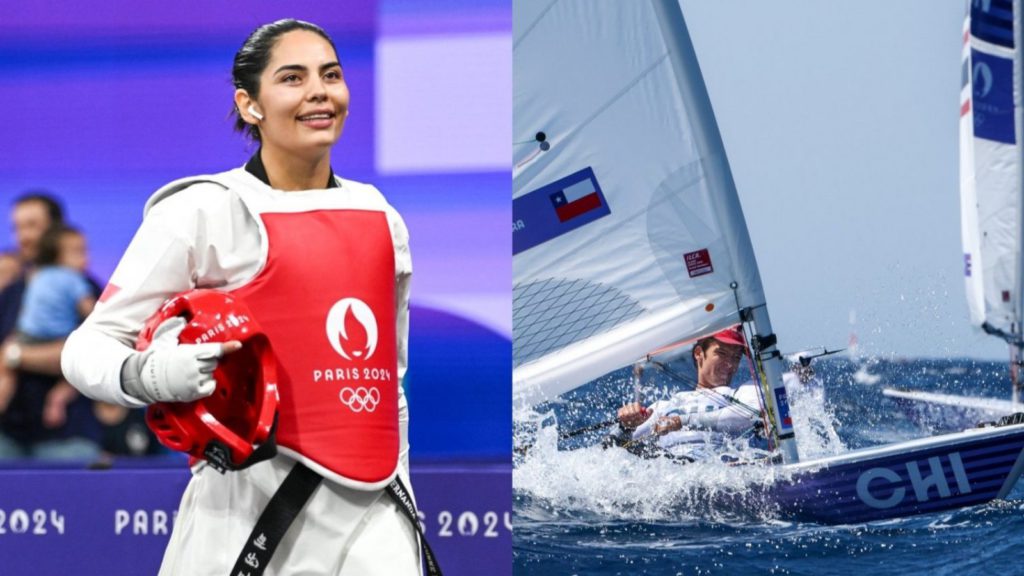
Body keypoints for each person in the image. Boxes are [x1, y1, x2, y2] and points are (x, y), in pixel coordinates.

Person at [61, 19, 427, 575]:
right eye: (292, 78)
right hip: (242, 515)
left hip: (376, 521)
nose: (319, 92)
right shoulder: (202, 209)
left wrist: (404, 505)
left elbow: (386, 383)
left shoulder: (382, 217)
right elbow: (88, 346)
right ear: (249, 104)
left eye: (330, 74)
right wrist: (151, 375)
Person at [0, 194, 101, 460]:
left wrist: (16, 356)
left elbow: (91, 355)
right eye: (17, 227)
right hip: (8, 437)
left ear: (56, 229)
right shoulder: (11, 292)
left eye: (32, 225)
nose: (23, 236)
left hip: (66, 437)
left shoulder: (84, 288)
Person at [611, 326, 766, 460]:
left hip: (720, 469)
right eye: (722, 353)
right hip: (674, 471)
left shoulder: (743, 394)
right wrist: (626, 426)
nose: (730, 363)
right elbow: (615, 450)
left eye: (736, 357)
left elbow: (748, 416)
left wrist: (681, 421)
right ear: (699, 353)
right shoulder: (665, 406)